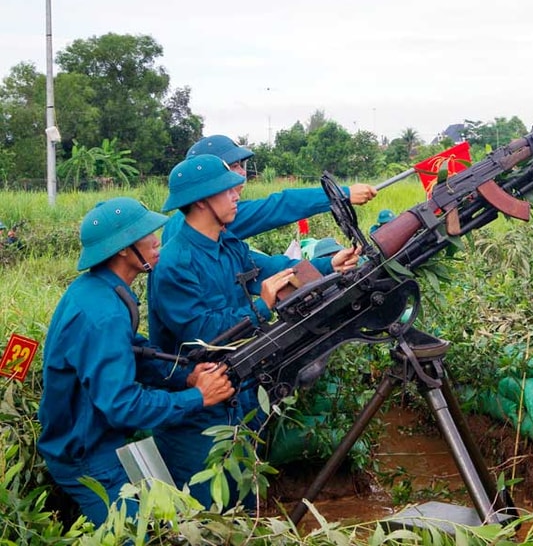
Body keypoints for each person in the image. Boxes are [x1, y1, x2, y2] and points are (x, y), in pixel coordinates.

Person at [148, 155, 361, 509]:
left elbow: (272, 270)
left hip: (239, 393)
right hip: (197, 411)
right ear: (201, 200)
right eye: (227, 190)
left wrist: (327, 266)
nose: (236, 194)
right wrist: (260, 306)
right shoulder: (175, 263)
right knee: (210, 512)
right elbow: (203, 337)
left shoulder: (227, 244)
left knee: (247, 504)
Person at [37, 198, 235, 525]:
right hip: (85, 456)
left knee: (164, 519)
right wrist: (197, 397)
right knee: (139, 533)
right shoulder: (103, 315)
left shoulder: (102, 290)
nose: (158, 240)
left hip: (100, 441)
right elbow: (122, 404)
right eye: (147, 235)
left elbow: (133, 352)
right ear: (123, 250)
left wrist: (184, 375)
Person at [162, 135, 378, 244]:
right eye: (233, 167)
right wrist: (343, 194)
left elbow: (243, 259)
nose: (242, 174)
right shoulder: (210, 217)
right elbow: (278, 206)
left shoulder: (181, 222)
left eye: (241, 166)